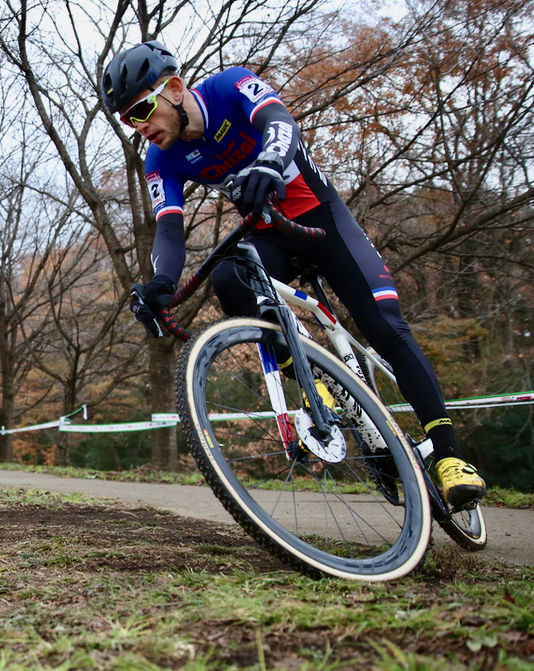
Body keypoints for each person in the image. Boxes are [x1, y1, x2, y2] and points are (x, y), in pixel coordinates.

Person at [104, 41, 487, 511]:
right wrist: (161, 284)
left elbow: (280, 122)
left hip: (322, 222)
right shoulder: (160, 160)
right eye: (127, 119)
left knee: (385, 326)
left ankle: (448, 457)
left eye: (142, 108)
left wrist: (267, 162)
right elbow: (168, 229)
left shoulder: (229, 86)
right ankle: (314, 378)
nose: (139, 126)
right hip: (270, 234)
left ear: (176, 88)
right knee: (229, 278)